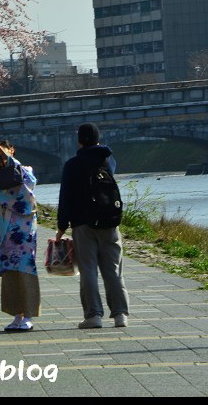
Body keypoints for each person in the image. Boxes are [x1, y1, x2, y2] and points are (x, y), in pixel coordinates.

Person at [55, 122, 129, 329]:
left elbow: (65, 198)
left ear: (79, 140)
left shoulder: (72, 165)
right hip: (109, 221)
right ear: (97, 139)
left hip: (82, 224)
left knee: (88, 270)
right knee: (113, 270)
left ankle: (93, 315)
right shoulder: (108, 161)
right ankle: (120, 315)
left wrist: (62, 226)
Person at [0, 138, 40, 332]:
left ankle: (28, 314)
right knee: (9, 270)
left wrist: (4, 156)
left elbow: (27, 186)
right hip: (4, 227)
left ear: (12, 150)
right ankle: (16, 314)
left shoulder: (25, 170)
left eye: (3, 150)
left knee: (24, 268)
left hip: (22, 228)